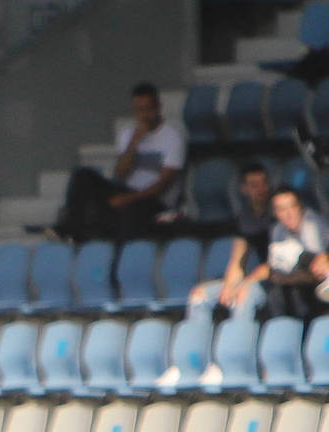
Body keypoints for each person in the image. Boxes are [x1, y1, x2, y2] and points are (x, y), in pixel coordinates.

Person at [51, 82, 186, 243]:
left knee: (129, 210)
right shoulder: (128, 134)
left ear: (158, 107)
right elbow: (120, 173)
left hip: (153, 201)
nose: (144, 115)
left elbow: (162, 185)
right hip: (127, 190)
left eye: (148, 109)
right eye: (139, 110)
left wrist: (128, 198)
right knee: (83, 175)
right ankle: (71, 231)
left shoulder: (173, 138)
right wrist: (133, 143)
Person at [185, 162, 274, 322]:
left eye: (263, 183)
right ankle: (198, 344)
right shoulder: (244, 218)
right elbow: (237, 261)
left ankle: (237, 345)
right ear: (244, 189)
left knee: (243, 295)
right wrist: (228, 286)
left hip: (274, 281)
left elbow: (276, 263)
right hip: (255, 279)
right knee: (199, 295)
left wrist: (243, 284)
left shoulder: (277, 215)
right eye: (254, 185)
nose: (261, 189)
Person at [256, 186, 329, 324]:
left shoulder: (312, 224)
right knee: (274, 294)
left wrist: (289, 278)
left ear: (299, 206)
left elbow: (317, 269)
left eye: (292, 207)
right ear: (274, 212)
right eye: (282, 209)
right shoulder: (277, 230)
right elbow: (275, 274)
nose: (289, 213)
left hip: (318, 284)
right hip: (298, 281)